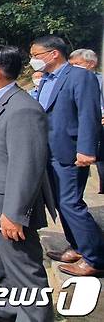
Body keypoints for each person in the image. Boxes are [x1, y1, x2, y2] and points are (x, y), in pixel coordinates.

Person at [0, 45, 54, 322]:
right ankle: (5, 311)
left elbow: (26, 166)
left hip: (9, 210)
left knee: (26, 272)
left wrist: (15, 214)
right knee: (3, 265)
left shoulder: (22, 109)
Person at [30, 36, 104, 277]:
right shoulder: (46, 80)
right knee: (62, 203)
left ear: (53, 54)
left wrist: (87, 149)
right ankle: (78, 247)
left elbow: (88, 115)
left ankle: (96, 258)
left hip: (71, 152)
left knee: (71, 203)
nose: (32, 60)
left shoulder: (80, 76)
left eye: (36, 55)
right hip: (50, 151)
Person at [68, 48, 104, 195]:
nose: (73, 68)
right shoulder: (71, 80)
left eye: (77, 63)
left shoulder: (100, 80)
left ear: (90, 63)